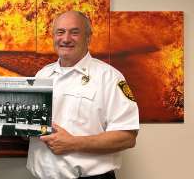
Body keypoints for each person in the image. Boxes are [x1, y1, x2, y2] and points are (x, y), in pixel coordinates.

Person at [27, 11, 139, 179]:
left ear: (88, 37)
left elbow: (127, 137)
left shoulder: (109, 77)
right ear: (53, 36)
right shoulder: (42, 75)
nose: (66, 39)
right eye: (60, 32)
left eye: (74, 32)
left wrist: (73, 144)